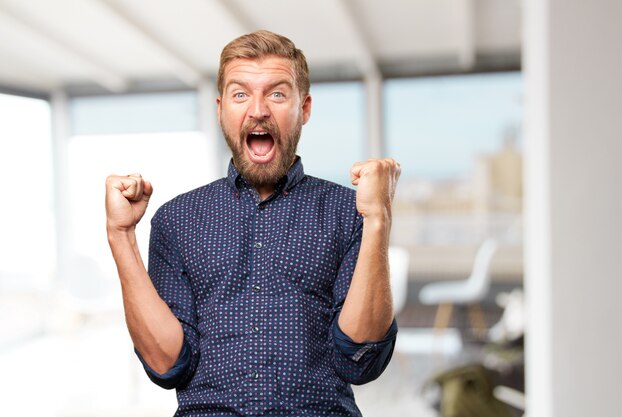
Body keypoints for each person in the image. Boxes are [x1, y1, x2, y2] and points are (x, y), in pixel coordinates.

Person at [105, 30, 401, 417]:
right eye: (240, 94)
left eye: (277, 94)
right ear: (220, 108)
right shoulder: (176, 220)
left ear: (304, 108)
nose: (258, 110)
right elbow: (167, 365)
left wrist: (378, 218)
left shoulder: (349, 212)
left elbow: (360, 361)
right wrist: (121, 235)